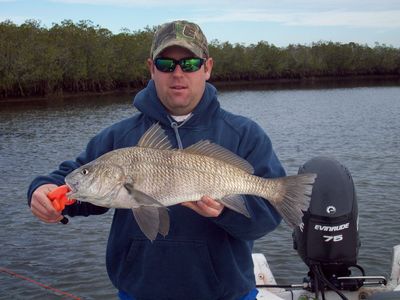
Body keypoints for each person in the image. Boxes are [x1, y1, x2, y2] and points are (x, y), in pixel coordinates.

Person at [28, 20, 285, 300]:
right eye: (165, 64)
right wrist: (43, 190)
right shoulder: (120, 136)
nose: (178, 73)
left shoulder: (244, 135)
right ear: (151, 68)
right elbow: (73, 178)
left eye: (189, 64)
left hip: (226, 294)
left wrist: (223, 212)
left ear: (207, 67)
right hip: (140, 292)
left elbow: (268, 217)